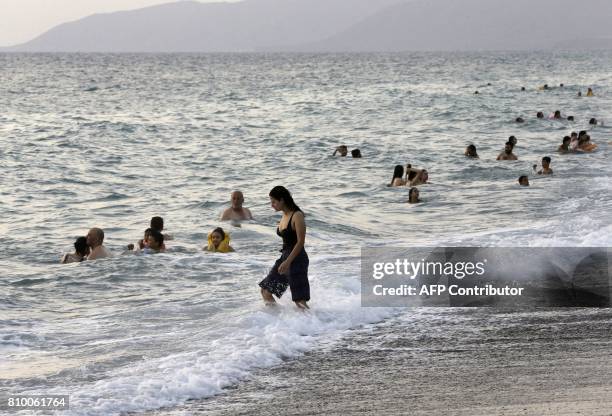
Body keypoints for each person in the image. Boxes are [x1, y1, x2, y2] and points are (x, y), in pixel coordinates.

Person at [259, 186, 310, 310]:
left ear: (282, 200)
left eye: (274, 202)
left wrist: (288, 262)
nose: (272, 205)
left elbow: (300, 242)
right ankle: (279, 322)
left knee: (299, 301)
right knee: (265, 291)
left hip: (297, 259)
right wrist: (285, 260)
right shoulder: (284, 215)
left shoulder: (297, 215)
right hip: (285, 257)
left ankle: (315, 327)